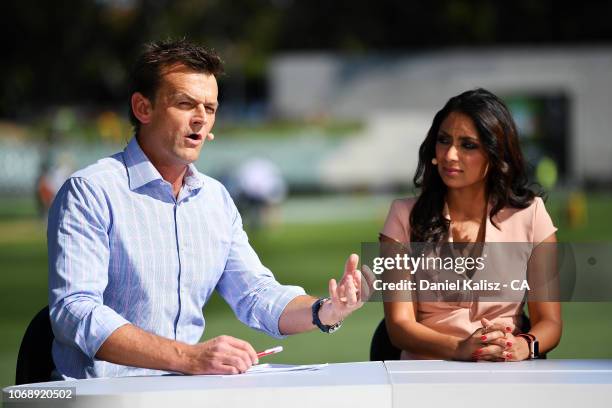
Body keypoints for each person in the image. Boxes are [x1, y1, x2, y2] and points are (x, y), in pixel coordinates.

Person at [47, 39, 363, 379]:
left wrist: (326, 311)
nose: (200, 119)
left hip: (187, 392)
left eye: (210, 109)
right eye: (185, 104)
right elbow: (74, 311)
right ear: (143, 108)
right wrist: (188, 357)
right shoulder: (90, 191)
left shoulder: (215, 199)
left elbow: (255, 295)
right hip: (105, 396)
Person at [381, 88, 562, 362]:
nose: (450, 155)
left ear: (495, 153)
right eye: (443, 141)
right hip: (425, 375)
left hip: (508, 374)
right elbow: (399, 328)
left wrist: (524, 346)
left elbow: (550, 323)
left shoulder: (533, 216)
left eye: (468, 145)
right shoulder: (402, 217)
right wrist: (459, 348)